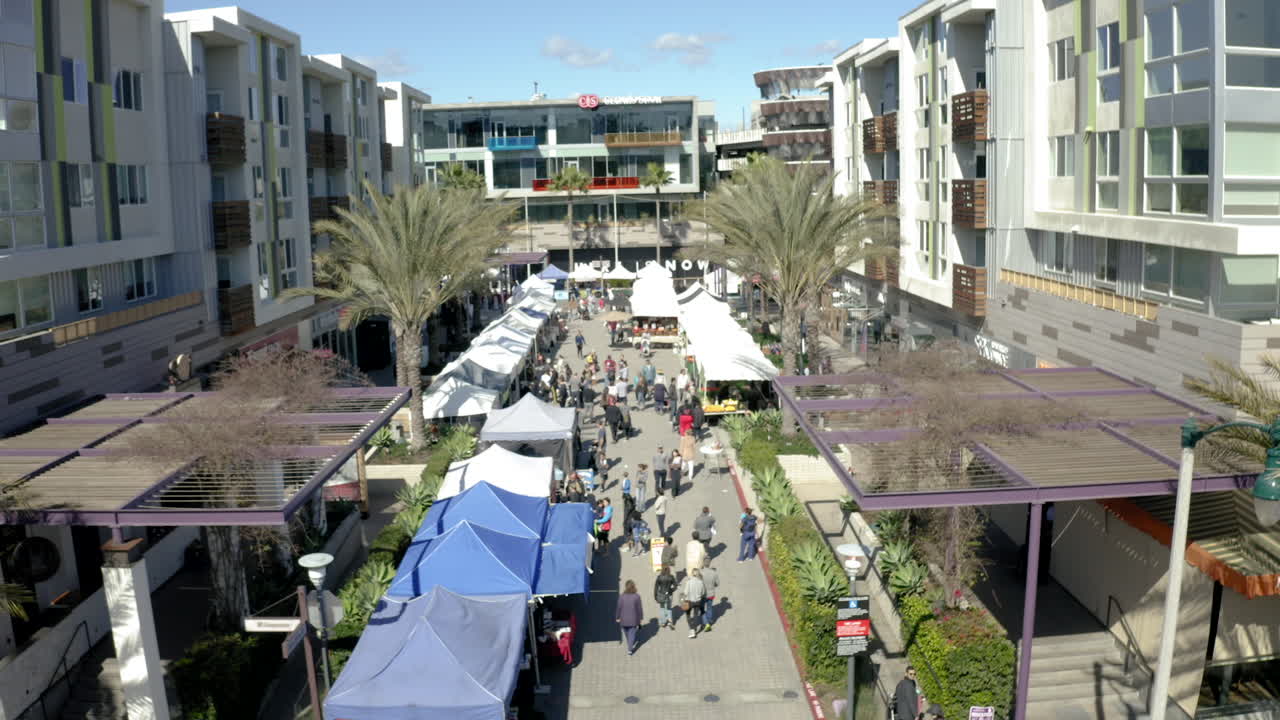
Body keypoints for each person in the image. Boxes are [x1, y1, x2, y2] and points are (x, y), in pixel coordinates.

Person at [615, 580, 644, 655]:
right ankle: (630, 649)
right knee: (632, 634)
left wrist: (617, 617)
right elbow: (639, 608)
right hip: (633, 620)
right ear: (634, 587)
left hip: (623, 620)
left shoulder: (622, 596)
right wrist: (640, 618)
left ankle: (629, 643)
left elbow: (619, 608)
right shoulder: (637, 596)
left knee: (627, 633)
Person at [676, 568, 706, 639]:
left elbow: (685, 593)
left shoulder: (689, 582)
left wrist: (682, 598)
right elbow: (703, 592)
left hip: (689, 601)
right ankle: (694, 628)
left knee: (688, 615)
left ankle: (691, 629)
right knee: (696, 615)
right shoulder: (701, 582)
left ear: (692, 574)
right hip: (697, 601)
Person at [654, 565, 677, 630]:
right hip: (669, 594)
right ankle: (670, 622)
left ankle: (663, 622)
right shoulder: (671, 577)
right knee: (669, 608)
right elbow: (675, 586)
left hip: (661, 594)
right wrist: (671, 590)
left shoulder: (659, 577)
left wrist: (655, 596)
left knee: (662, 608)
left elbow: (656, 587)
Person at [700, 557, 719, 632]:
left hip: (703, 594)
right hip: (711, 594)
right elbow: (717, 583)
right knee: (709, 608)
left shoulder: (700, 572)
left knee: (702, 609)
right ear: (709, 563)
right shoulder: (714, 572)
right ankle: (710, 620)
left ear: (703, 563)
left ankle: (706, 623)